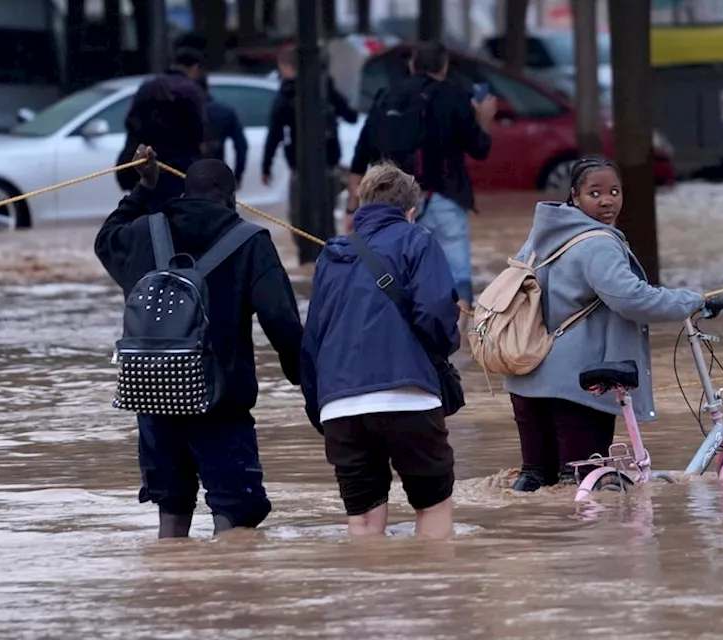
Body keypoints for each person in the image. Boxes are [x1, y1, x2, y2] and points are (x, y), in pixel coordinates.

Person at [94, 148, 304, 538]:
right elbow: (282, 321)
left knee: (172, 510)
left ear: (184, 192)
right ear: (232, 198)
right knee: (236, 514)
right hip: (220, 402)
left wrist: (143, 189)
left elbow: (105, 240)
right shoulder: (250, 241)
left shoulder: (143, 231)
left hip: (154, 397)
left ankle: (173, 590)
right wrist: (305, 380)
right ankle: (225, 594)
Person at [501, 156, 704, 492]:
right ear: (575, 197)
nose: (608, 200)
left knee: (535, 485)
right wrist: (691, 301)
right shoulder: (598, 242)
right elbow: (631, 298)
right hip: (578, 385)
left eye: (614, 191)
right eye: (595, 193)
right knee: (581, 487)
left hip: (526, 379)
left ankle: (527, 544)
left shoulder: (540, 237)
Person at [300, 162, 461, 539]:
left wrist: (320, 407)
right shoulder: (417, 240)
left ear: (360, 205)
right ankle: (437, 595)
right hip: (408, 398)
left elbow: (313, 338)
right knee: (432, 506)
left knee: (363, 521)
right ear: (410, 211)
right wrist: (442, 351)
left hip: (341, 406)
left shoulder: (330, 255)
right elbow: (435, 315)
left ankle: (369, 593)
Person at [348, 41, 496, 322]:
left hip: (391, 202)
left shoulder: (386, 95)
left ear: (412, 65)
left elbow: (360, 156)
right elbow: (480, 149)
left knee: (397, 273)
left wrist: (352, 207)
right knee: (456, 273)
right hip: (443, 196)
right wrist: (483, 120)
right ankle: (460, 343)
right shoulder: (453, 96)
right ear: (444, 66)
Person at [260, 44, 358, 228]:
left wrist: (266, 166)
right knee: (326, 215)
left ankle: (309, 251)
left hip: (300, 166)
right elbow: (351, 116)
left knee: (300, 219)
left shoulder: (286, 94)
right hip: (328, 163)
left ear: (287, 67)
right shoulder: (326, 89)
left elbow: (275, 133)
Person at [113, 72, 206, 207]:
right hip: (180, 179)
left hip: (148, 190)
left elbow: (124, 174)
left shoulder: (138, 129)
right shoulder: (184, 119)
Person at [198, 71, 248, 184]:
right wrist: (237, 175)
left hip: (184, 174)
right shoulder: (224, 112)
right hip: (217, 173)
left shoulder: (179, 113)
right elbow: (241, 146)